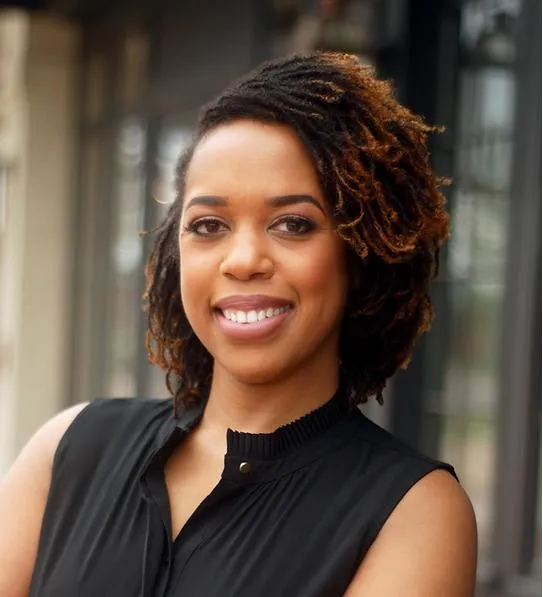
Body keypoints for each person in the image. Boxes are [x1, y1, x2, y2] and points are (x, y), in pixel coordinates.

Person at [0, 51, 477, 597]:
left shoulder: (413, 512)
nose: (243, 259)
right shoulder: (69, 450)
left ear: (359, 252)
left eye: (293, 224)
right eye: (209, 225)